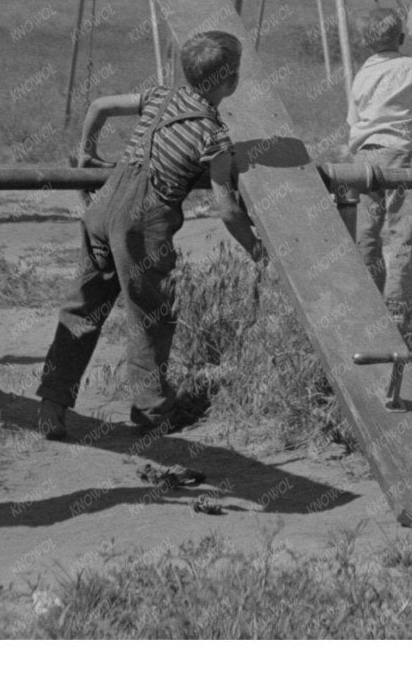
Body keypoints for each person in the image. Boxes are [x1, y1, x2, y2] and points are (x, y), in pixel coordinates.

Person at [36, 29, 261, 441]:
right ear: (231, 82)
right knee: (149, 318)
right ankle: (152, 412)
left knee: (81, 308)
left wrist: (86, 152)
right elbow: (227, 209)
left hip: (102, 209)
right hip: (141, 226)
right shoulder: (214, 135)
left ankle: (52, 406)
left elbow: (99, 105)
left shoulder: (160, 97)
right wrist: (257, 251)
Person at [344, 8, 412, 310]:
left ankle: (369, 299)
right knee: (402, 228)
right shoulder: (411, 66)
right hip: (397, 152)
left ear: (366, 44)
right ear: (402, 38)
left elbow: (353, 119)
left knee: (367, 229)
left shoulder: (362, 73)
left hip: (363, 155)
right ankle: (398, 300)